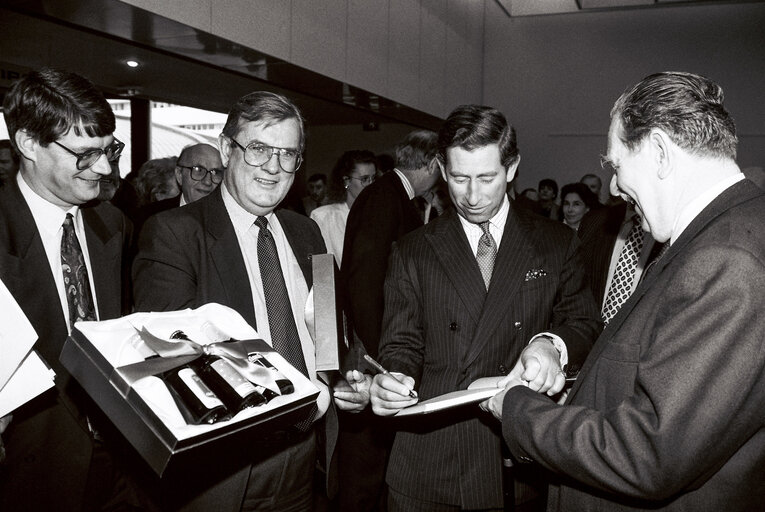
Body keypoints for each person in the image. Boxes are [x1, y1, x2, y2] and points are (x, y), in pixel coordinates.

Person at [485, 71, 765, 511]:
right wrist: (574, 393)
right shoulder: (717, 236)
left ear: (658, 151)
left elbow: (649, 452)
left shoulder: (727, 259)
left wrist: (517, 408)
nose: (614, 187)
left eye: (615, 164)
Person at [133, 90, 369, 511]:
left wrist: (347, 377)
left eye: (288, 154)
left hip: (307, 453)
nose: (274, 168)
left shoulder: (307, 233)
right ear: (227, 148)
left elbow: (330, 329)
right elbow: (171, 363)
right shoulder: (174, 233)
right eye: (259, 149)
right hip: (226, 469)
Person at [370, 104, 600, 511]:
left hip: (513, 452)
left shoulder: (556, 242)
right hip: (430, 456)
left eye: (486, 177)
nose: (472, 196)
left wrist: (552, 344)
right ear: (441, 169)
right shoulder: (413, 250)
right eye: (459, 178)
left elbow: (581, 321)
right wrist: (395, 381)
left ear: (512, 168)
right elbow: (401, 343)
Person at [0, 68, 140, 511]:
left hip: (119, 466)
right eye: (85, 153)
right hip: (26, 472)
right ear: (28, 144)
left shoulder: (112, 225)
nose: (104, 167)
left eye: (109, 149)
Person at [337, 129, 440, 511]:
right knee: (364, 465)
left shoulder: (391, 196)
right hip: (372, 349)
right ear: (432, 164)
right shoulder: (385, 198)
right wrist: (382, 355)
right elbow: (364, 279)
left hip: (377, 342)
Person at [310, 150, 376, 265]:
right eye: (364, 179)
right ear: (346, 181)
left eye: (373, 178)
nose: (371, 185)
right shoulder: (323, 217)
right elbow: (321, 268)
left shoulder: (380, 214)